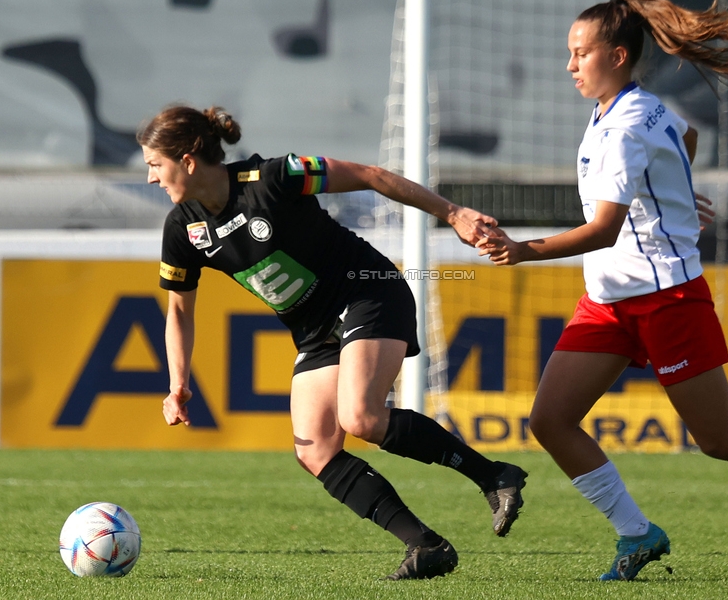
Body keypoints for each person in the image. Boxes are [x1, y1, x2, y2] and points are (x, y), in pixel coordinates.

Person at [477, 0, 728, 582]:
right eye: (569, 53)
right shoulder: (631, 107)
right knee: (550, 421)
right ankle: (638, 535)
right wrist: (678, 192)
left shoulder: (629, 124)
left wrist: (524, 250)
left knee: (718, 438)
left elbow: (605, 230)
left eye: (580, 54)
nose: (570, 65)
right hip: (608, 301)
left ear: (616, 54)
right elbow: (685, 139)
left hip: (667, 300)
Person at [137, 104, 527, 581]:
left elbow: (370, 175)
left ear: (188, 160)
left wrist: (453, 212)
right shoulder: (183, 229)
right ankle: (426, 545)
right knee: (314, 449)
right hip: (315, 328)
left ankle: (494, 476)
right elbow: (179, 309)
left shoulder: (275, 176)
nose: (151, 178)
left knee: (361, 417)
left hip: (368, 291)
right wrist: (177, 384)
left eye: (155, 164)